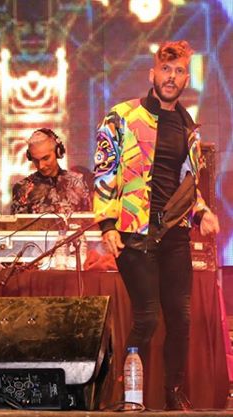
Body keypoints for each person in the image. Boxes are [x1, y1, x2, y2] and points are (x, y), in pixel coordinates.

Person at [92, 40, 220, 410]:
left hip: (174, 233)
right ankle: (130, 396)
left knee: (180, 318)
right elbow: (104, 171)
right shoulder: (122, 117)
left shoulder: (188, 126)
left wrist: (202, 212)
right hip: (134, 232)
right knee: (147, 317)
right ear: (152, 74)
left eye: (179, 71)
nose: (172, 77)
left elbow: (186, 185)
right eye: (166, 70)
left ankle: (173, 393)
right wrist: (107, 224)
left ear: (186, 79)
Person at [11, 128, 92, 214]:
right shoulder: (22, 189)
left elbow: (88, 219)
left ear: (58, 152)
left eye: (45, 158)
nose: (41, 166)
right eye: (36, 160)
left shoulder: (79, 183)